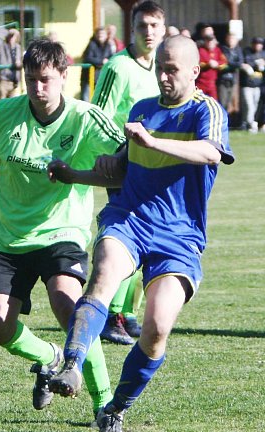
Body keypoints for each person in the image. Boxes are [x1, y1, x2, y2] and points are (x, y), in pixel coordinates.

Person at [47, 35, 235, 432]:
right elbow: (120, 170)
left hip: (180, 237)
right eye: (160, 68)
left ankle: (116, 408)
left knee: (155, 328)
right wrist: (75, 175)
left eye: (172, 69)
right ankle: (72, 363)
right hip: (129, 219)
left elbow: (211, 153)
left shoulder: (208, 111)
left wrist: (152, 141)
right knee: (105, 274)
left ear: (194, 71)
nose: (164, 77)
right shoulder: (142, 110)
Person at [0, 38, 126, 418]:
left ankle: (105, 405)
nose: (37, 89)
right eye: (30, 80)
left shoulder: (85, 118)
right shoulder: (4, 115)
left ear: (63, 76)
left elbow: (126, 158)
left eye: (45, 79)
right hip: (8, 236)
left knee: (69, 306)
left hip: (63, 231)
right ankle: (49, 357)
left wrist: (100, 172)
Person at [91, 0, 166, 345]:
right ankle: (109, 314)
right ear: (131, 30)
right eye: (141, 27)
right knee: (126, 237)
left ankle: (127, 311)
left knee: (150, 235)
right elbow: (99, 115)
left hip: (151, 165)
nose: (148, 32)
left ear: (163, 30)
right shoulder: (117, 68)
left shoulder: (160, 68)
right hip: (122, 165)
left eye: (154, 26)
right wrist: (113, 155)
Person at [240, 37, 265, 133]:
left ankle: (246, 123)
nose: (257, 45)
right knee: (249, 105)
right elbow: (242, 63)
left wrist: (263, 64)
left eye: (259, 44)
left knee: (254, 106)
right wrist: (253, 64)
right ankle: (250, 124)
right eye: (255, 43)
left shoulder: (263, 53)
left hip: (257, 84)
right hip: (247, 84)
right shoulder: (246, 52)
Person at [80, 27, 113, 102]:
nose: (100, 35)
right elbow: (87, 58)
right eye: (98, 34)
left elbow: (112, 57)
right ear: (95, 35)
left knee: (100, 100)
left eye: (102, 34)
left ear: (106, 35)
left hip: (101, 77)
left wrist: (107, 61)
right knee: (86, 99)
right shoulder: (91, 44)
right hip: (88, 77)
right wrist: (101, 61)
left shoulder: (108, 45)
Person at [196, 28, 227, 100]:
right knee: (199, 101)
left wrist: (217, 64)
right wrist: (207, 65)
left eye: (211, 41)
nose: (210, 43)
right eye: (208, 41)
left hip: (212, 83)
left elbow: (224, 62)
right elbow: (197, 64)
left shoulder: (217, 50)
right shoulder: (201, 50)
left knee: (213, 101)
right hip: (201, 83)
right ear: (205, 41)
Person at [217, 33, 244, 113]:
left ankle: (227, 122)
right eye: (230, 39)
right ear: (226, 39)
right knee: (222, 102)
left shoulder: (238, 50)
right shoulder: (221, 49)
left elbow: (240, 63)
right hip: (222, 79)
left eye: (233, 39)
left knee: (231, 103)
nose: (231, 41)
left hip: (234, 80)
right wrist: (232, 64)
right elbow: (223, 61)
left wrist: (229, 64)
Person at [0, 28, 22, 100]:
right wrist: (8, 32)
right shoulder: (2, 46)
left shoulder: (18, 48)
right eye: (10, 36)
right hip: (3, 81)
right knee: (2, 105)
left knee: (13, 106)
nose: (11, 38)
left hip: (14, 82)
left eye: (14, 36)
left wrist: (19, 63)